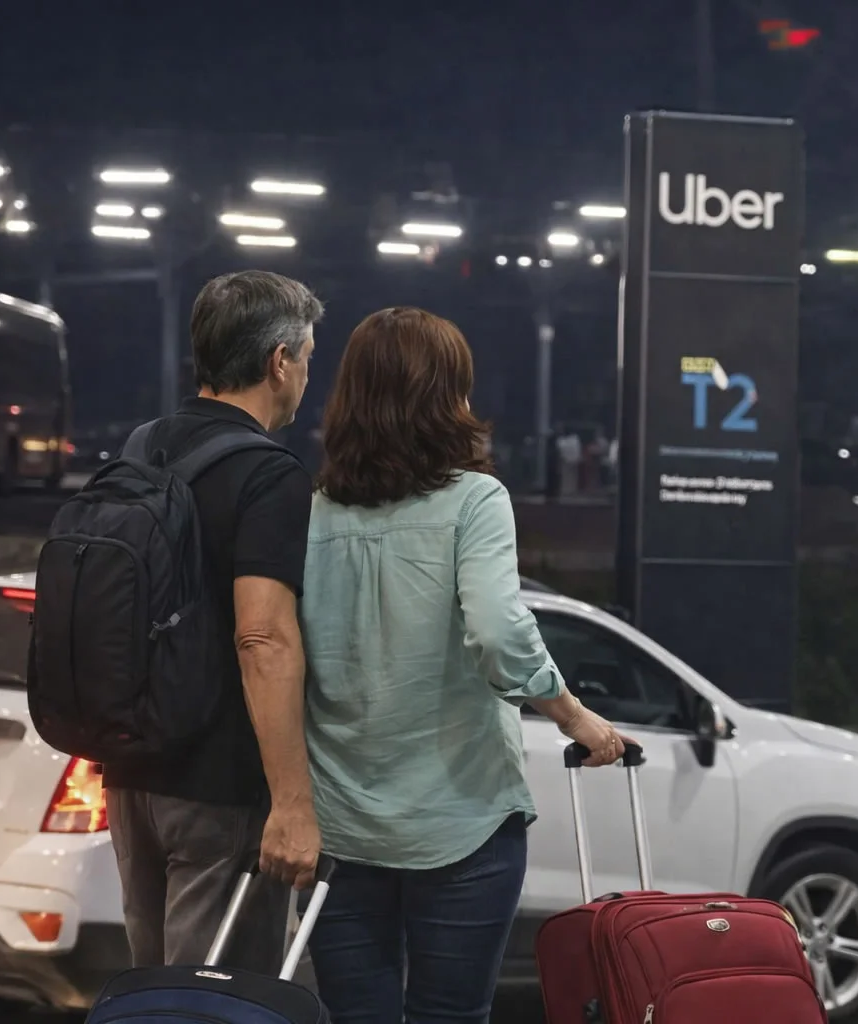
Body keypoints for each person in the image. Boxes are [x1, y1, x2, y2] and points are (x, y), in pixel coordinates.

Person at [300, 307, 632, 1024]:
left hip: (339, 825)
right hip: (463, 822)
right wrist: (574, 715)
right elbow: (498, 631)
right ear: (446, 397)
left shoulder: (313, 512)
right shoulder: (474, 501)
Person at [103, 270, 325, 971]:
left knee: (159, 995)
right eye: (308, 357)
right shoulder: (269, 474)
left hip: (131, 777)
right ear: (278, 362)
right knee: (219, 1003)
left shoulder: (139, 450)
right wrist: (291, 802)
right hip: (217, 790)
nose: (306, 377)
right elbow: (263, 637)